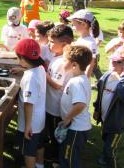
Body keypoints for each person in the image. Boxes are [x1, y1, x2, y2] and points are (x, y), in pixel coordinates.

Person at [93, 45, 124, 168]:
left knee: (110, 149)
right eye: (112, 60)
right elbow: (100, 92)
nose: (112, 63)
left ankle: (109, 162)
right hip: (105, 117)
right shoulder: (108, 75)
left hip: (117, 123)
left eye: (118, 62)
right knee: (105, 139)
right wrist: (97, 109)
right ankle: (104, 157)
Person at [59, 45, 93, 168]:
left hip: (76, 128)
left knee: (70, 156)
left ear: (74, 65)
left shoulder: (77, 82)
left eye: (65, 60)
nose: (63, 62)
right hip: (75, 127)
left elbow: (80, 104)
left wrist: (67, 118)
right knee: (66, 153)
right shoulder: (80, 78)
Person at [44, 24, 74, 165]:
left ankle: (57, 156)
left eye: (51, 42)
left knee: (56, 134)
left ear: (64, 44)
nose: (49, 44)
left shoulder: (63, 62)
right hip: (51, 104)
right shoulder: (57, 57)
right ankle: (54, 152)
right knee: (51, 132)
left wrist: (43, 73)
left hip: (57, 108)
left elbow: (57, 85)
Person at [15, 39, 46, 168]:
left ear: (22, 58)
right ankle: (40, 164)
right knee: (39, 144)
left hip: (30, 123)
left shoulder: (29, 78)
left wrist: (27, 126)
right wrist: (22, 70)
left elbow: (28, 103)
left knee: (29, 151)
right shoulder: (40, 68)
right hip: (40, 119)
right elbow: (32, 73)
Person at [68, 9, 99, 78]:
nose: (73, 27)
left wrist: (86, 79)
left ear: (83, 24)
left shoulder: (90, 43)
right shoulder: (80, 39)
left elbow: (91, 64)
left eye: (74, 24)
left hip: (81, 78)